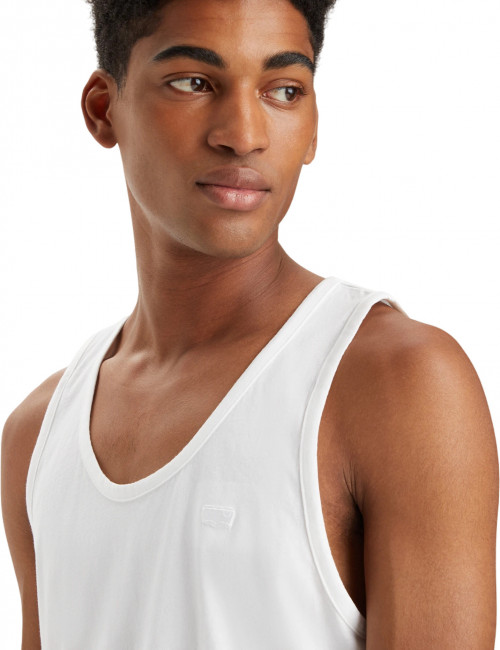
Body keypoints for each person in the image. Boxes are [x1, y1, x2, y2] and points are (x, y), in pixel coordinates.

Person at [1, 0, 498, 647]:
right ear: (103, 109)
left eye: (283, 90)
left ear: (313, 127)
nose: (243, 134)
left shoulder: (399, 385)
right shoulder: (38, 435)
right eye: (194, 82)